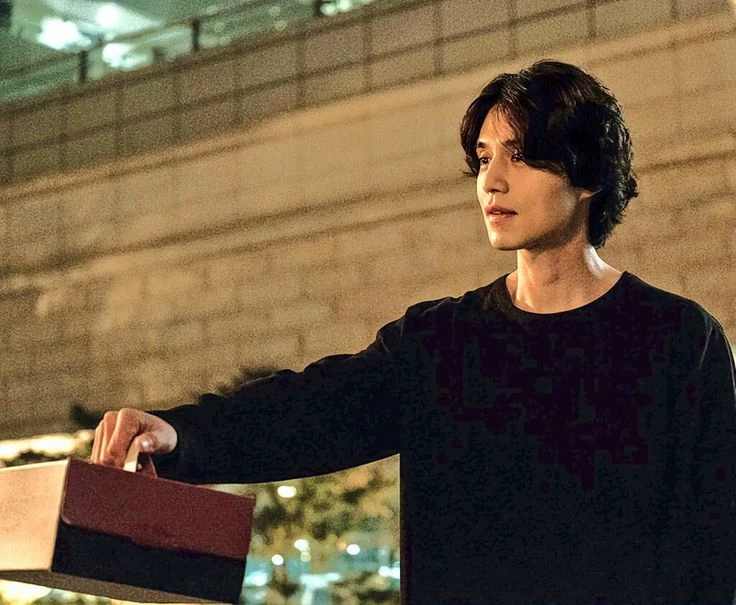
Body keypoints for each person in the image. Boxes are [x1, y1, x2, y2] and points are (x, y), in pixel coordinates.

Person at [92, 60, 736, 604]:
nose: (492, 181)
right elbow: (312, 409)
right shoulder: (441, 341)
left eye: (520, 156)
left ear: (589, 174)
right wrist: (181, 433)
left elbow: (716, 541)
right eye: (483, 158)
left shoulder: (677, 339)